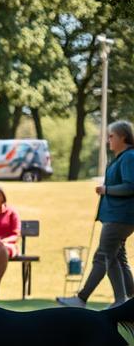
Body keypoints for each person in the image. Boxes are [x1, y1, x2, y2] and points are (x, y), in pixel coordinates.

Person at [57, 120, 134, 308]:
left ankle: (81, 298)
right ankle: (123, 300)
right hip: (116, 217)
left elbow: (131, 186)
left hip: (120, 218)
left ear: (123, 137)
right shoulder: (121, 157)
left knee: (102, 257)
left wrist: (107, 189)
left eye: (111, 136)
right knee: (116, 258)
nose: (108, 140)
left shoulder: (129, 157)